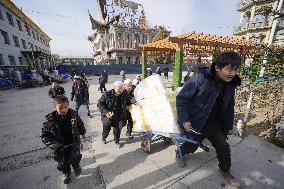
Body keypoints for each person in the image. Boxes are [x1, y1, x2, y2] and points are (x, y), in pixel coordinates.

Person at [176, 52, 242, 187]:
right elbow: (182, 99)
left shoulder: (230, 85)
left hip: (214, 124)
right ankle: (179, 153)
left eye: (235, 70)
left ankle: (225, 171)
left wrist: (229, 125)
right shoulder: (199, 79)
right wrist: (185, 119)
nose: (233, 73)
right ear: (217, 67)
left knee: (223, 147)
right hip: (196, 121)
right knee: (191, 145)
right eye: (229, 69)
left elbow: (229, 106)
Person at [40, 95, 86, 184]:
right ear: (55, 107)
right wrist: (55, 145)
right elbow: (44, 136)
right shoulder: (50, 121)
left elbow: (80, 123)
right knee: (63, 163)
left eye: (66, 107)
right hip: (59, 148)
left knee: (75, 158)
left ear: (68, 105)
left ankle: (76, 167)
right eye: (60, 108)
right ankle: (67, 173)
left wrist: (83, 132)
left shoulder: (74, 115)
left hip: (73, 143)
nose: (63, 110)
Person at [97, 81, 131, 147]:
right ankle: (104, 138)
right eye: (118, 89)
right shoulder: (107, 94)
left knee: (117, 129)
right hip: (109, 116)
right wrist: (106, 112)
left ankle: (116, 141)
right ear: (114, 88)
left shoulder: (124, 93)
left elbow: (129, 100)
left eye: (121, 89)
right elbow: (100, 104)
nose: (120, 91)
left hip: (119, 115)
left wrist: (130, 105)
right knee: (106, 129)